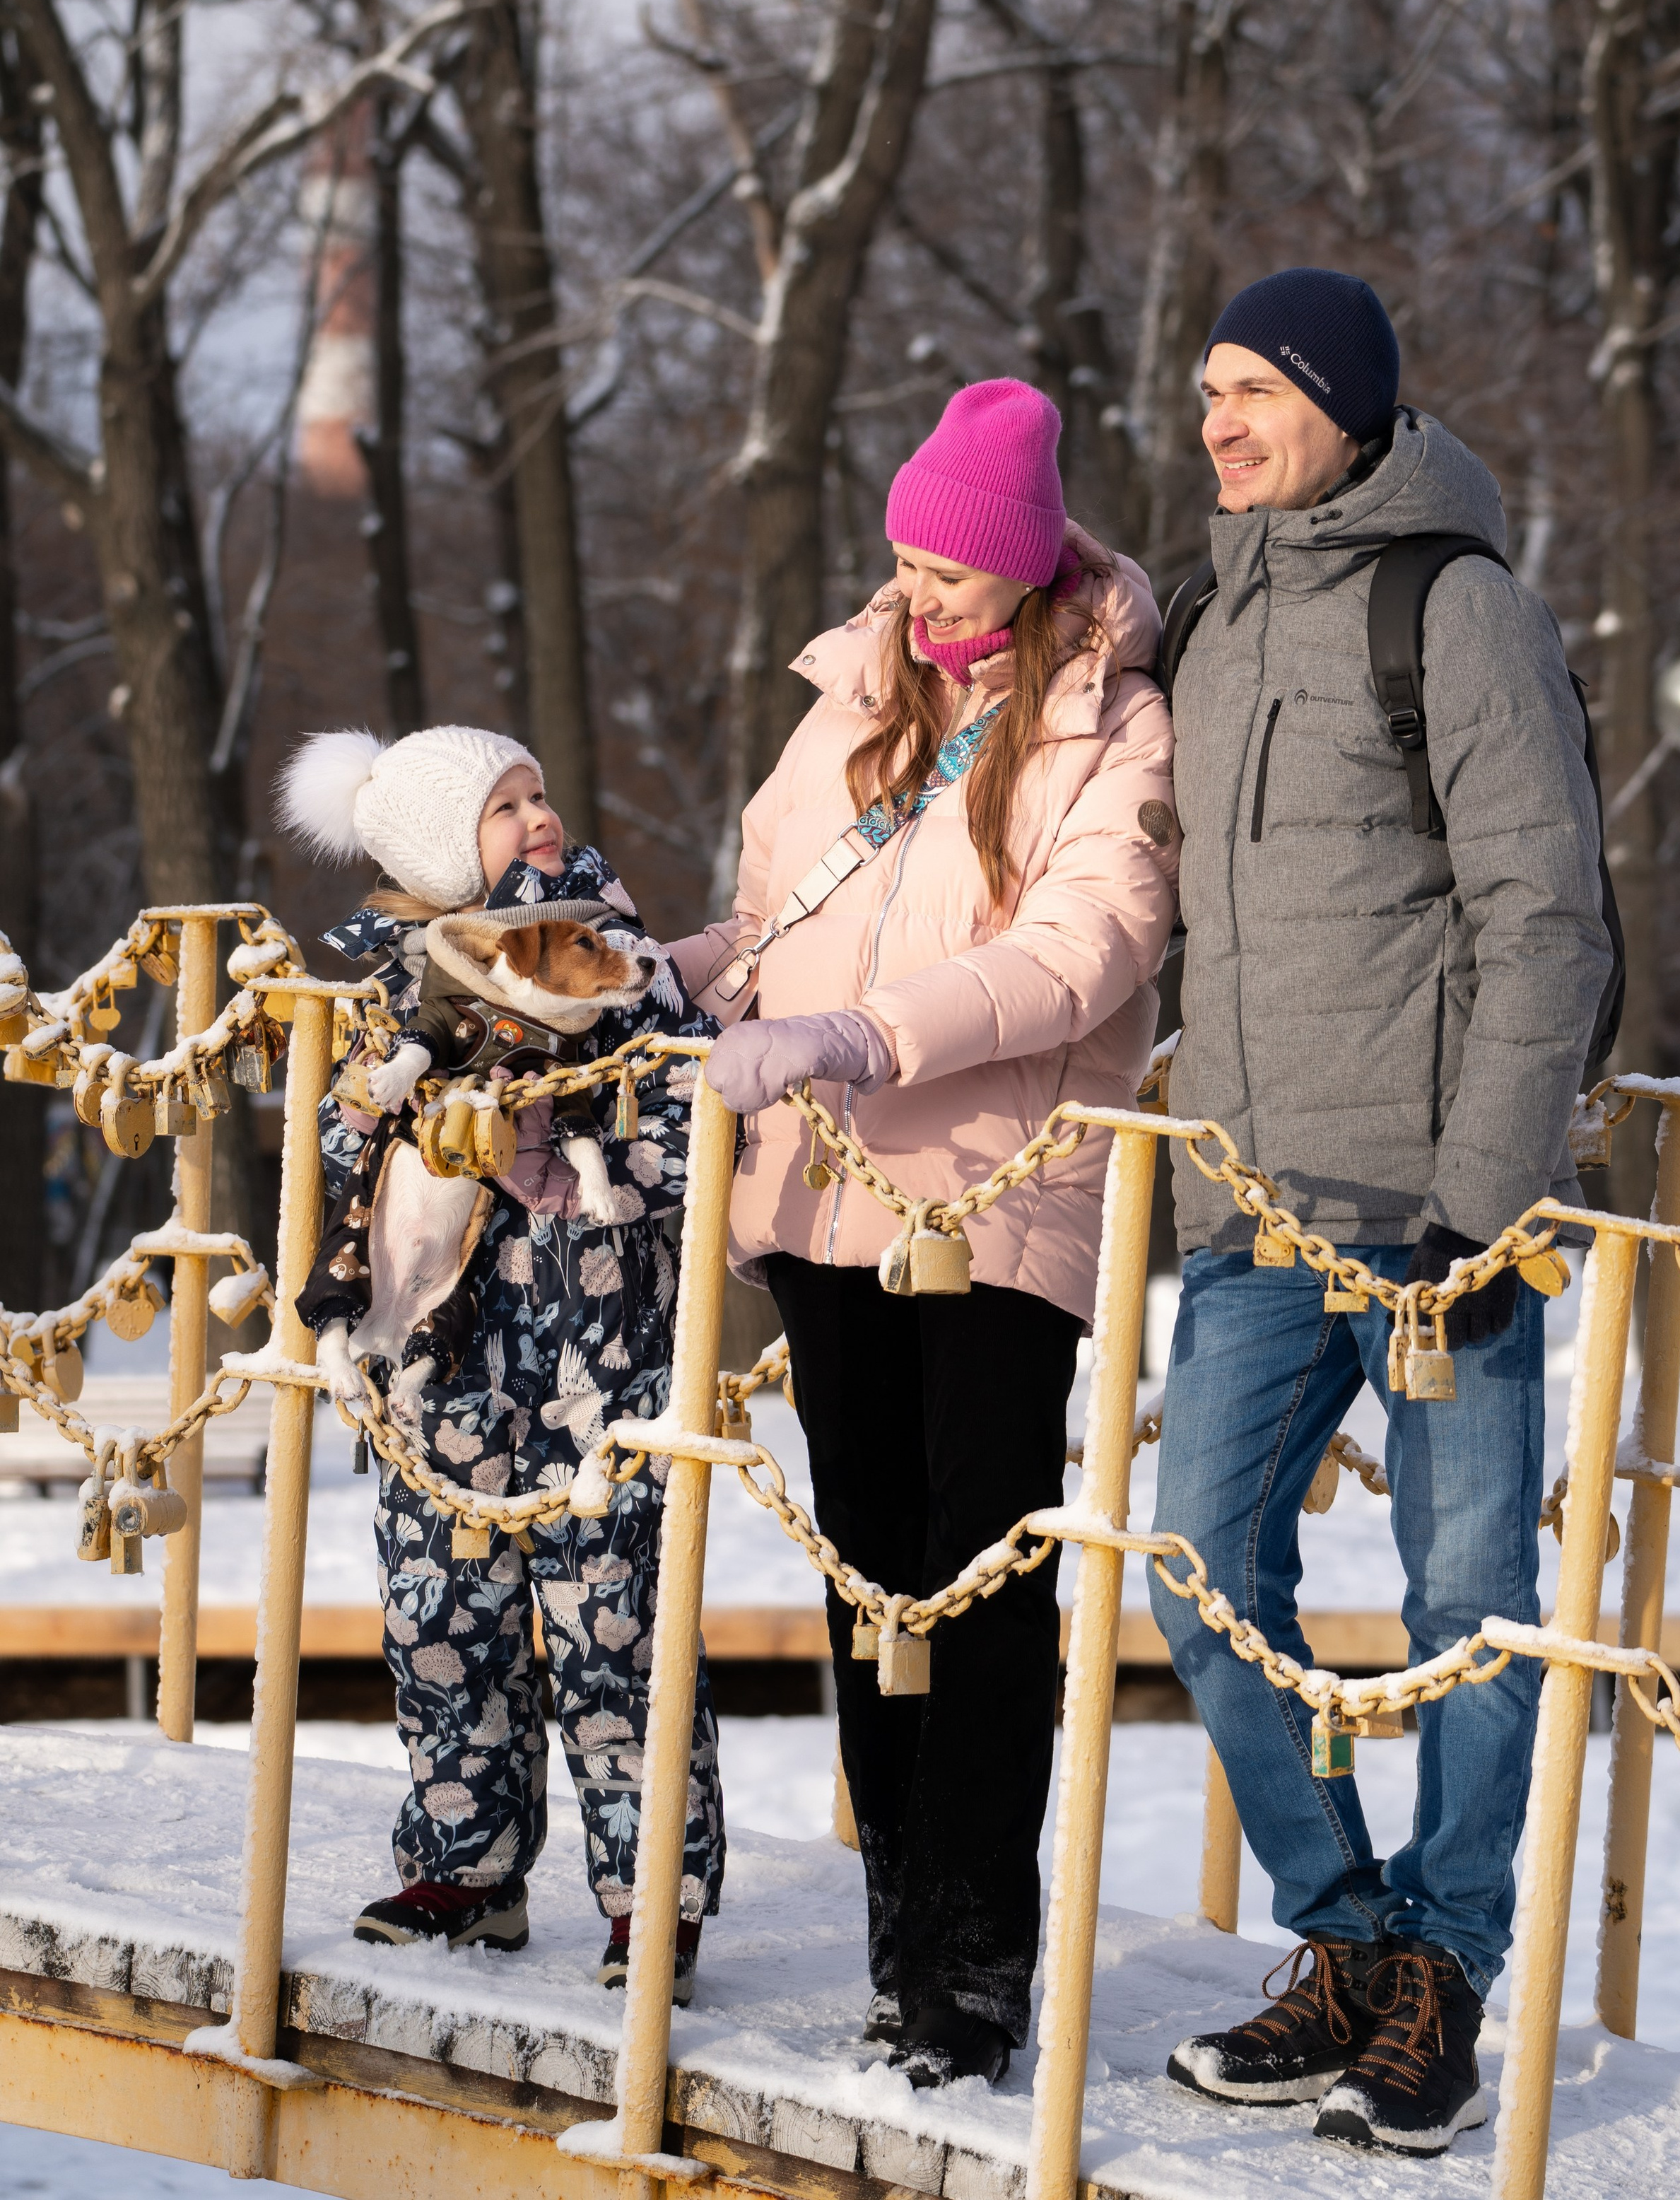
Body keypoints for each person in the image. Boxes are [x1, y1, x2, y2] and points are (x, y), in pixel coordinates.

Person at [1150, 269, 1614, 2155]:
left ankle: (1447, 1973)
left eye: (1252, 389)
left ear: (1342, 404)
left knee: (1466, 1607)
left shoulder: (1458, 604)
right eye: (1205, 390)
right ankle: (1346, 1943)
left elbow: (1546, 920)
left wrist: (1478, 1205)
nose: (1218, 421)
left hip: (1436, 1218)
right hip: (1250, 1211)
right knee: (1198, 1574)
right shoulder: (1207, 619)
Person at [669, 380, 1179, 2092]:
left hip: (990, 1202)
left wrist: (860, 1035)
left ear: (1026, 568)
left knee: (978, 1577)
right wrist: (667, 974)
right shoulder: (853, 692)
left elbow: (1080, 953)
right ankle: (900, 1917)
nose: (914, 592)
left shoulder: (1111, 724)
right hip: (824, 1189)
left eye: (947, 570)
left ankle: (976, 1957)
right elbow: (771, 912)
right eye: (900, 558)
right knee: (867, 1563)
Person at [278, 724, 725, 1994]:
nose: (536, 816)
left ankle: (651, 1897)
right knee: (441, 1623)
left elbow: (696, 1115)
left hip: (600, 1363)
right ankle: (464, 1866)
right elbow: (341, 1144)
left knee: (615, 1633)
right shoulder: (389, 992)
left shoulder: (612, 955)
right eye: (500, 806)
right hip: (443, 1370)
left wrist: (592, 1145)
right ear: (433, 852)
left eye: (537, 792)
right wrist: (411, 1125)